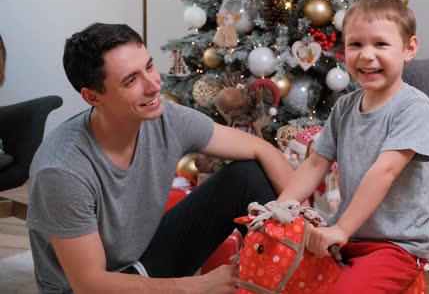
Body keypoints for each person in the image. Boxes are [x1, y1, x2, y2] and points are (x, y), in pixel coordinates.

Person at [26, 23, 293, 293]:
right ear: (93, 97)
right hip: (96, 288)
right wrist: (199, 286)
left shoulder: (164, 118)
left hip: (142, 261)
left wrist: (305, 224)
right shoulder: (62, 171)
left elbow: (264, 150)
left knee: (248, 175)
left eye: (150, 67)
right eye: (131, 80)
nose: (154, 85)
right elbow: (90, 284)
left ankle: (293, 279)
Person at [277, 0, 429, 292]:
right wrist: (281, 208)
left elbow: (384, 172)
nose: (366, 55)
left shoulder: (414, 108)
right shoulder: (345, 106)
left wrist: (341, 228)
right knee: (287, 280)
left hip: (395, 245)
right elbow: (315, 163)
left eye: (380, 44)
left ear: (409, 48)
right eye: (356, 44)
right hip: (349, 236)